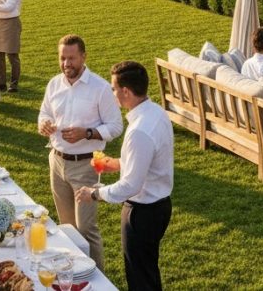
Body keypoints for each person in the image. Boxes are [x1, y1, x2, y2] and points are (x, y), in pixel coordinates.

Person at [76, 61, 173, 291]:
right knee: (148, 270)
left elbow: (130, 185)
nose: (112, 93)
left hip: (142, 214)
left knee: (139, 276)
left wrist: (95, 193)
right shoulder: (157, 112)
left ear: (126, 92)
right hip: (160, 207)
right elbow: (147, 161)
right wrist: (116, 164)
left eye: (113, 88)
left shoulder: (139, 130)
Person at [38, 35, 123, 270]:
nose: (66, 64)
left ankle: (98, 279)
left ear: (83, 57)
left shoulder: (101, 88)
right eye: (62, 58)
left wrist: (87, 133)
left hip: (86, 165)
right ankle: (74, 273)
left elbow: (116, 127)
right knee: (67, 227)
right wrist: (44, 124)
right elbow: (44, 113)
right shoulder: (54, 84)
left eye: (71, 58)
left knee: (86, 227)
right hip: (57, 161)